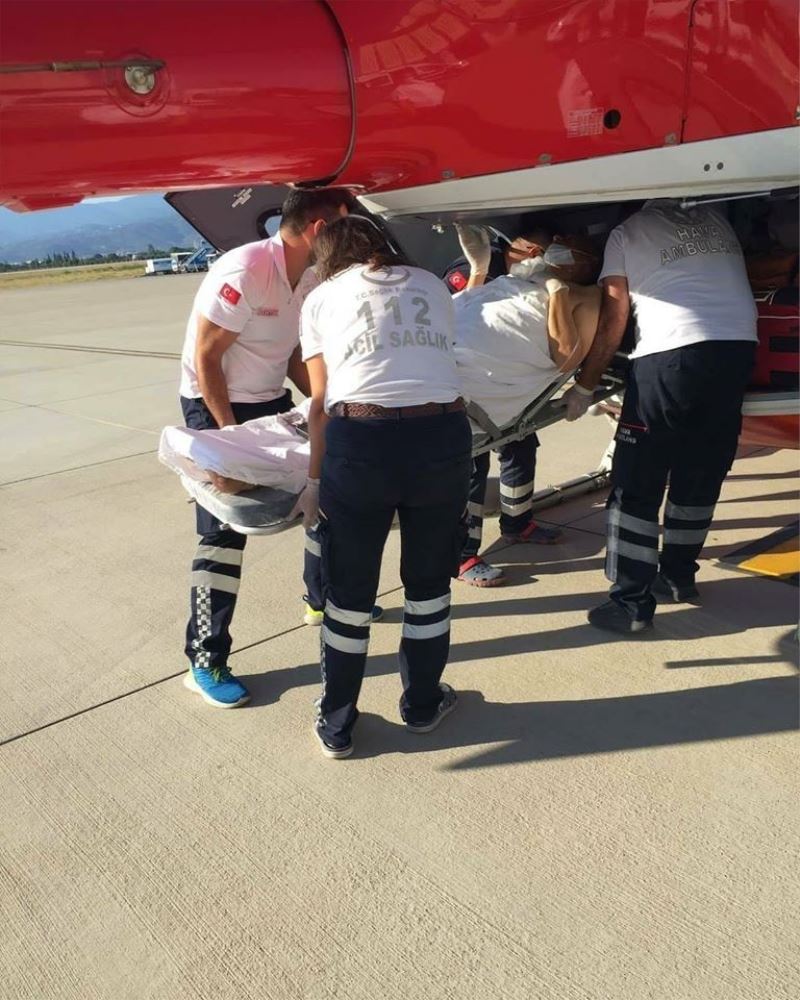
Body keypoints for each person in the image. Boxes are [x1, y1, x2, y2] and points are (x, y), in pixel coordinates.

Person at [296, 215, 472, 758]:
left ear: (328, 255)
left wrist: (314, 480)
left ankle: (337, 720)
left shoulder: (322, 298)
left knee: (349, 593)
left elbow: (320, 402)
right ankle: (422, 704)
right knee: (428, 586)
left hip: (362, 441)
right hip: (441, 436)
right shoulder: (432, 284)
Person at [179, 186, 355, 708]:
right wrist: (229, 439)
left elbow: (296, 351)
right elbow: (207, 358)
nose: (347, 239)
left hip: (271, 399)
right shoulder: (246, 269)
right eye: (343, 227)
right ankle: (205, 659)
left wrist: (323, 404)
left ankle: (321, 601)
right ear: (320, 230)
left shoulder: (312, 276)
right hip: (215, 403)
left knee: (323, 494)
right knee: (223, 533)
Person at [561, 199, 757, 633]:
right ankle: (677, 578)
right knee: (700, 471)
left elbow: (614, 316)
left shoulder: (626, 233)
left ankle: (630, 603)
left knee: (637, 481)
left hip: (671, 354)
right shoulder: (715, 219)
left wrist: (586, 384)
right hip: (737, 350)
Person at [449, 226, 600, 586]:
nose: (553, 245)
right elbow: (461, 312)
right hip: (450, 364)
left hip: (480, 382)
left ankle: (480, 544)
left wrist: (558, 292)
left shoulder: (583, 295)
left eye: (565, 243)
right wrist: (478, 272)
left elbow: (566, 357)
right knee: (503, 445)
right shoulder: (507, 283)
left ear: (584, 263)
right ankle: (470, 549)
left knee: (493, 447)